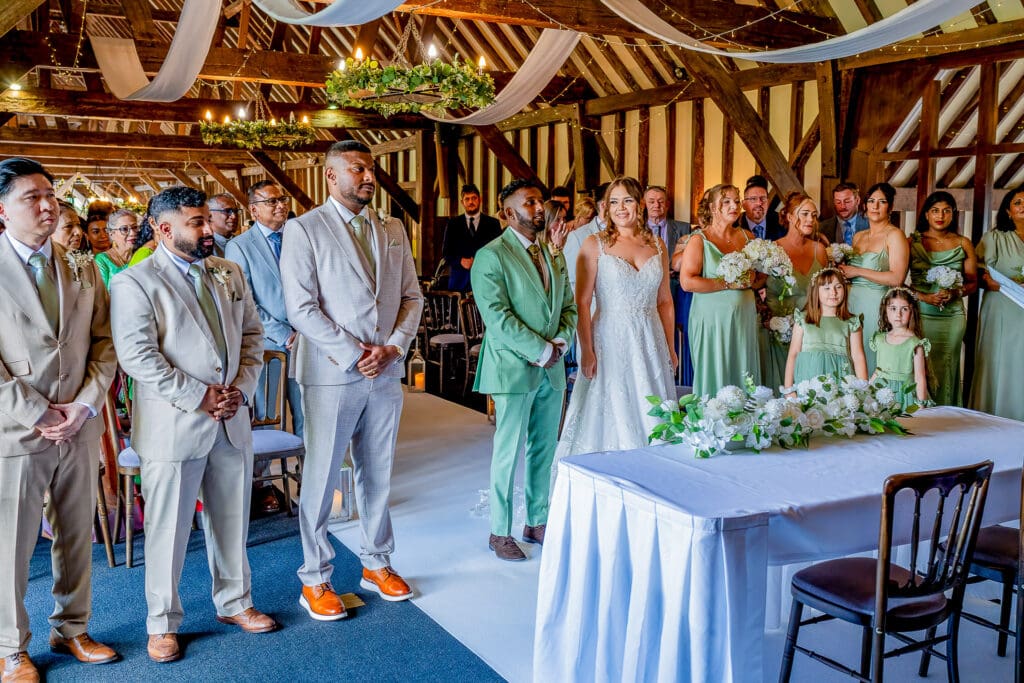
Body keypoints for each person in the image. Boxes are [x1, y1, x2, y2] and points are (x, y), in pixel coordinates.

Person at [109, 186, 273, 664]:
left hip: (230, 418)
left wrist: (240, 389)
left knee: (230, 520)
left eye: (207, 220)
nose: (208, 229)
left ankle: (235, 602)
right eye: (196, 223)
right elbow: (138, 356)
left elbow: (252, 335)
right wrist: (199, 396)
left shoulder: (228, 271)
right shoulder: (135, 282)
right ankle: (161, 623)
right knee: (168, 529)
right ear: (163, 229)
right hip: (175, 424)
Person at [280, 140, 423, 617]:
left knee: (378, 468)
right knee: (321, 475)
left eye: (372, 168)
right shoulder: (304, 229)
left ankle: (376, 561)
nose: (368, 176)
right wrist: (351, 352)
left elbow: (412, 298)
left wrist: (394, 347)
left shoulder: (393, 228)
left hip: (385, 369)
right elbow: (300, 306)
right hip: (331, 371)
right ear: (330, 176)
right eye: (358, 168)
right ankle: (315, 577)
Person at [0, 158, 118, 681]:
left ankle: (72, 626)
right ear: (3, 210)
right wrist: (38, 410)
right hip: (18, 427)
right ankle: (10, 646)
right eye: (32, 197)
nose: (48, 205)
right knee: (13, 544)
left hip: (78, 421)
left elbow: (106, 343)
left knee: (76, 534)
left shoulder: (82, 265)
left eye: (50, 194)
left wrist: (85, 404)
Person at [471, 178, 577, 561]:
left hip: (552, 365)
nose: (538, 209)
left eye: (539, 202)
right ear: (507, 212)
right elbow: (498, 317)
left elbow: (568, 305)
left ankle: (537, 520)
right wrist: (540, 349)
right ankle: (500, 531)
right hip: (514, 366)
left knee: (544, 449)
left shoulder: (552, 252)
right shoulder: (491, 255)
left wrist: (562, 342)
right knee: (508, 450)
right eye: (529, 203)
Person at [556, 177, 675, 459]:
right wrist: (586, 350)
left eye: (628, 200)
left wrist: (669, 347)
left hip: (651, 338)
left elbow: (665, 301)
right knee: (612, 408)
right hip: (610, 336)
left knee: (652, 407)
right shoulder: (593, 244)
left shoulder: (658, 245)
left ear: (641, 204)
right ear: (606, 207)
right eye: (614, 202)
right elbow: (582, 303)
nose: (621, 208)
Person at [225, 181, 305, 516]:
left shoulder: (300, 239)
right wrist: (283, 332)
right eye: (270, 201)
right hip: (269, 345)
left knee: (308, 416)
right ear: (253, 209)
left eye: (282, 200)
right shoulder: (239, 247)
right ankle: (262, 488)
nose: (279, 206)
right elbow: (247, 302)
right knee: (266, 420)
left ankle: (310, 485)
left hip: (308, 341)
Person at [681, 184, 764, 396]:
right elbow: (688, 282)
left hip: (743, 318)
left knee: (743, 370)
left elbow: (759, 278)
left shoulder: (747, 238)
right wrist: (728, 283)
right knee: (715, 370)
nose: (733, 206)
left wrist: (754, 279)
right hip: (712, 320)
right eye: (726, 201)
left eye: (736, 201)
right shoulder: (700, 240)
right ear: (713, 208)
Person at [908, 191, 977, 406]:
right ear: (926, 214)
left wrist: (956, 292)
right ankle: (921, 413)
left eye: (947, 211)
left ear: (953, 215)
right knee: (921, 364)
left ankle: (949, 412)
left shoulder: (963, 243)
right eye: (935, 210)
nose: (941, 215)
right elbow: (899, 283)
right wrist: (923, 297)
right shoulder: (912, 242)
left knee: (948, 365)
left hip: (952, 316)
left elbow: (973, 283)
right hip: (921, 314)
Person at [838, 182, 909, 374]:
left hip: (876, 304)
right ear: (865, 205)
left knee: (872, 355)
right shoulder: (858, 237)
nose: (875, 206)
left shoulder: (895, 236)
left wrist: (858, 271)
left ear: (890, 207)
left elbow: (897, 278)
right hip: (852, 303)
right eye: (871, 201)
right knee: (851, 354)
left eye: (882, 202)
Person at [759, 192, 827, 393]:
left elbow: (825, 293)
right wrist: (764, 314)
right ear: (789, 216)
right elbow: (755, 286)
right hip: (776, 335)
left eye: (814, 215)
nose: (810, 220)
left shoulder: (819, 251)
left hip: (810, 334)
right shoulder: (771, 250)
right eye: (804, 214)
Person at [969, 185, 1024, 421]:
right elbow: (977, 272)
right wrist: (990, 281)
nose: (1023, 207)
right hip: (1002, 305)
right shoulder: (995, 238)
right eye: (1018, 203)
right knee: (1001, 358)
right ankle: (995, 414)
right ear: (1008, 211)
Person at [784, 267, 867, 390]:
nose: (833, 292)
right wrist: (788, 389)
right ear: (816, 291)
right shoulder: (803, 319)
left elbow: (858, 357)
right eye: (827, 288)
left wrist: (863, 390)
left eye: (838, 287)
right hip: (808, 379)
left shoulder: (851, 322)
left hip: (840, 378)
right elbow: (793, 354)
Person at [870, 288, 931, 409]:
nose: (898, 314)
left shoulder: (915, 343)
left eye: (904, 309)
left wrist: (921, 405)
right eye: (893, 308)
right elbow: (878, 371)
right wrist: (867, 388)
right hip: (881, 392)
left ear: (912, 312)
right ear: (885, 312)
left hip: (905, 394)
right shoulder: (879, 339)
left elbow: (919, 377)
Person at [441, 183, 502, 292]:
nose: (471, 202)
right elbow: (446, 253)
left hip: (486, 281)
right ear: (462, 202)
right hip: (459, 283)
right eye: (467, 199)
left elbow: (499, 252)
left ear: (480, 199)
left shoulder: (493, 224)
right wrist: (460, 261)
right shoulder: (453, 224)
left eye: (474, 198)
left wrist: (481, 261)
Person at [563, 183, 609, 294]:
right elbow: (571, 283)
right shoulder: (578, 237)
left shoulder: (630, 235)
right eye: (616, 202)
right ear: (603, 205)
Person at [94, 209, 139, 287]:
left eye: (134, 227)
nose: (133, 233)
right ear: (111, 234)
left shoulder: (140, 255)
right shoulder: (102, 260)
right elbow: (101, 294)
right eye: (124, 229)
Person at [735, 175, 785, 241]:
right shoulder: (734, 225)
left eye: (763, 198)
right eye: (753, 199)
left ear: (768, 203)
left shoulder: (782, 223)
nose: (759, 203)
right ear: (744, 204)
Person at [819, 182, 869, 246]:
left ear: (857, 200)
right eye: (838, 202)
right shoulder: (822, 227)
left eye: (847, 201)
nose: (842, 206)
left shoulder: (870, 224)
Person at [208, 193, 242, 257]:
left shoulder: (241, 242)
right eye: (227, 211)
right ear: (209, 215)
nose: (234, 216)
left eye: (236, 211)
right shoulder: (204, 247)